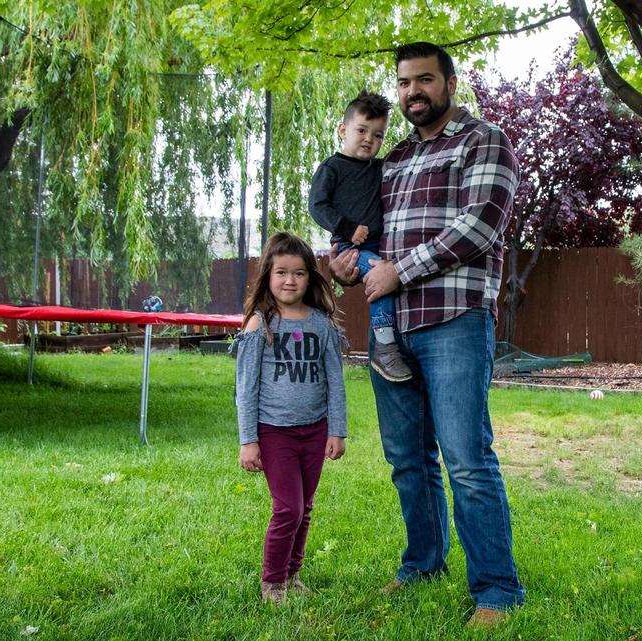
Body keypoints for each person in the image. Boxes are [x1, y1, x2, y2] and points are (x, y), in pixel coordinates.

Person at [329, 41, 525, 628]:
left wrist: (399, 269)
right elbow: (373, 237)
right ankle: (423, 563)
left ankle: (496, 590)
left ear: (449, 83)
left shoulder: (482, 141)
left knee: (466, 458)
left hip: (454, 322)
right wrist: (347, 259)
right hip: (393, 330)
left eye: (425, 80)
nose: (413, 91)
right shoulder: (388, 161)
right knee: (408, 460)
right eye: (405, 83)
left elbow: (480, 226)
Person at [234, 231, 348, 605]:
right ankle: (272, 582)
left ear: (309, 278)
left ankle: (293, 574)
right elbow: (246, 388)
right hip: (274, 433)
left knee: (306, 508)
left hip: (314, 432)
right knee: (288, 508)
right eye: (281, 272)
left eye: (298, 273)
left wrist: (337, 430)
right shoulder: (259, 324)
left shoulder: (322, 324)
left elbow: (336, 382)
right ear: (268, 275)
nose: (289, 280)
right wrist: (248, 440)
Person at [308, 90, 413, 383]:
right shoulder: (333, 168)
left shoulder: (379, 168)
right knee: (382, 278)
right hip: (350, 245)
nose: (370, 139)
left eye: (378, 135)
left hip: (377, 245)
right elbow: (317, 206)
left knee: (386, 277)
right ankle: (384, 347)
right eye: (362, 130)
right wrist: (347, 227)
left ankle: (389, 343)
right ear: (343, 130)